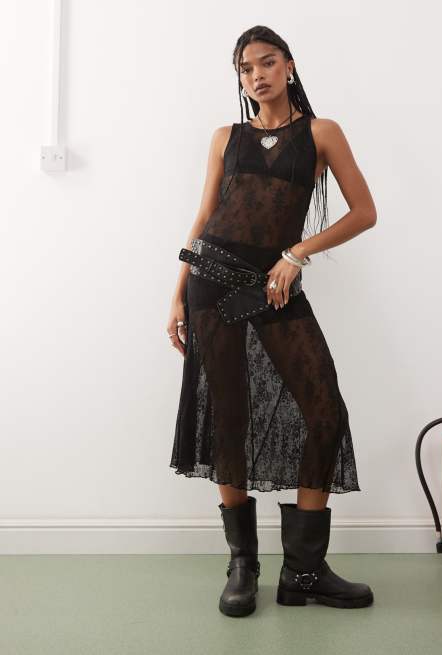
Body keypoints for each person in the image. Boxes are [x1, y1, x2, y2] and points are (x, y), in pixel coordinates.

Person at [166, 25, 377, 617]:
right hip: (211, 282)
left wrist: (296, 253)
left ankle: (304, 571)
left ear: (289, 65)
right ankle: (243, 565)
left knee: (323, 410)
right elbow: (203, 218)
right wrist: (177, 294)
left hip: (274, 288)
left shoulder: (321, 133)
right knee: (227, 415)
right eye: (245, 68)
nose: (256, 75)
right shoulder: (226, 138)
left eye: (266, 62)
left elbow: (365, 212)